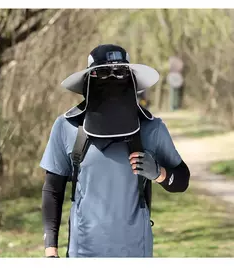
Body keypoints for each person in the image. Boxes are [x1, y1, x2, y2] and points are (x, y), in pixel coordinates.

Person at [40, 44, 190, 258]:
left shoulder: (151, 128)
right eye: (101, 72)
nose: (112, 77)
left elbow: (182, 180)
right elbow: (53, 191)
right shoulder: (67, 127)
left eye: (120, 72)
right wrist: (50, 251)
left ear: (131, 78)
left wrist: (159, 174)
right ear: (88, 79)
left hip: (136, 252)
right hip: (83, 251)